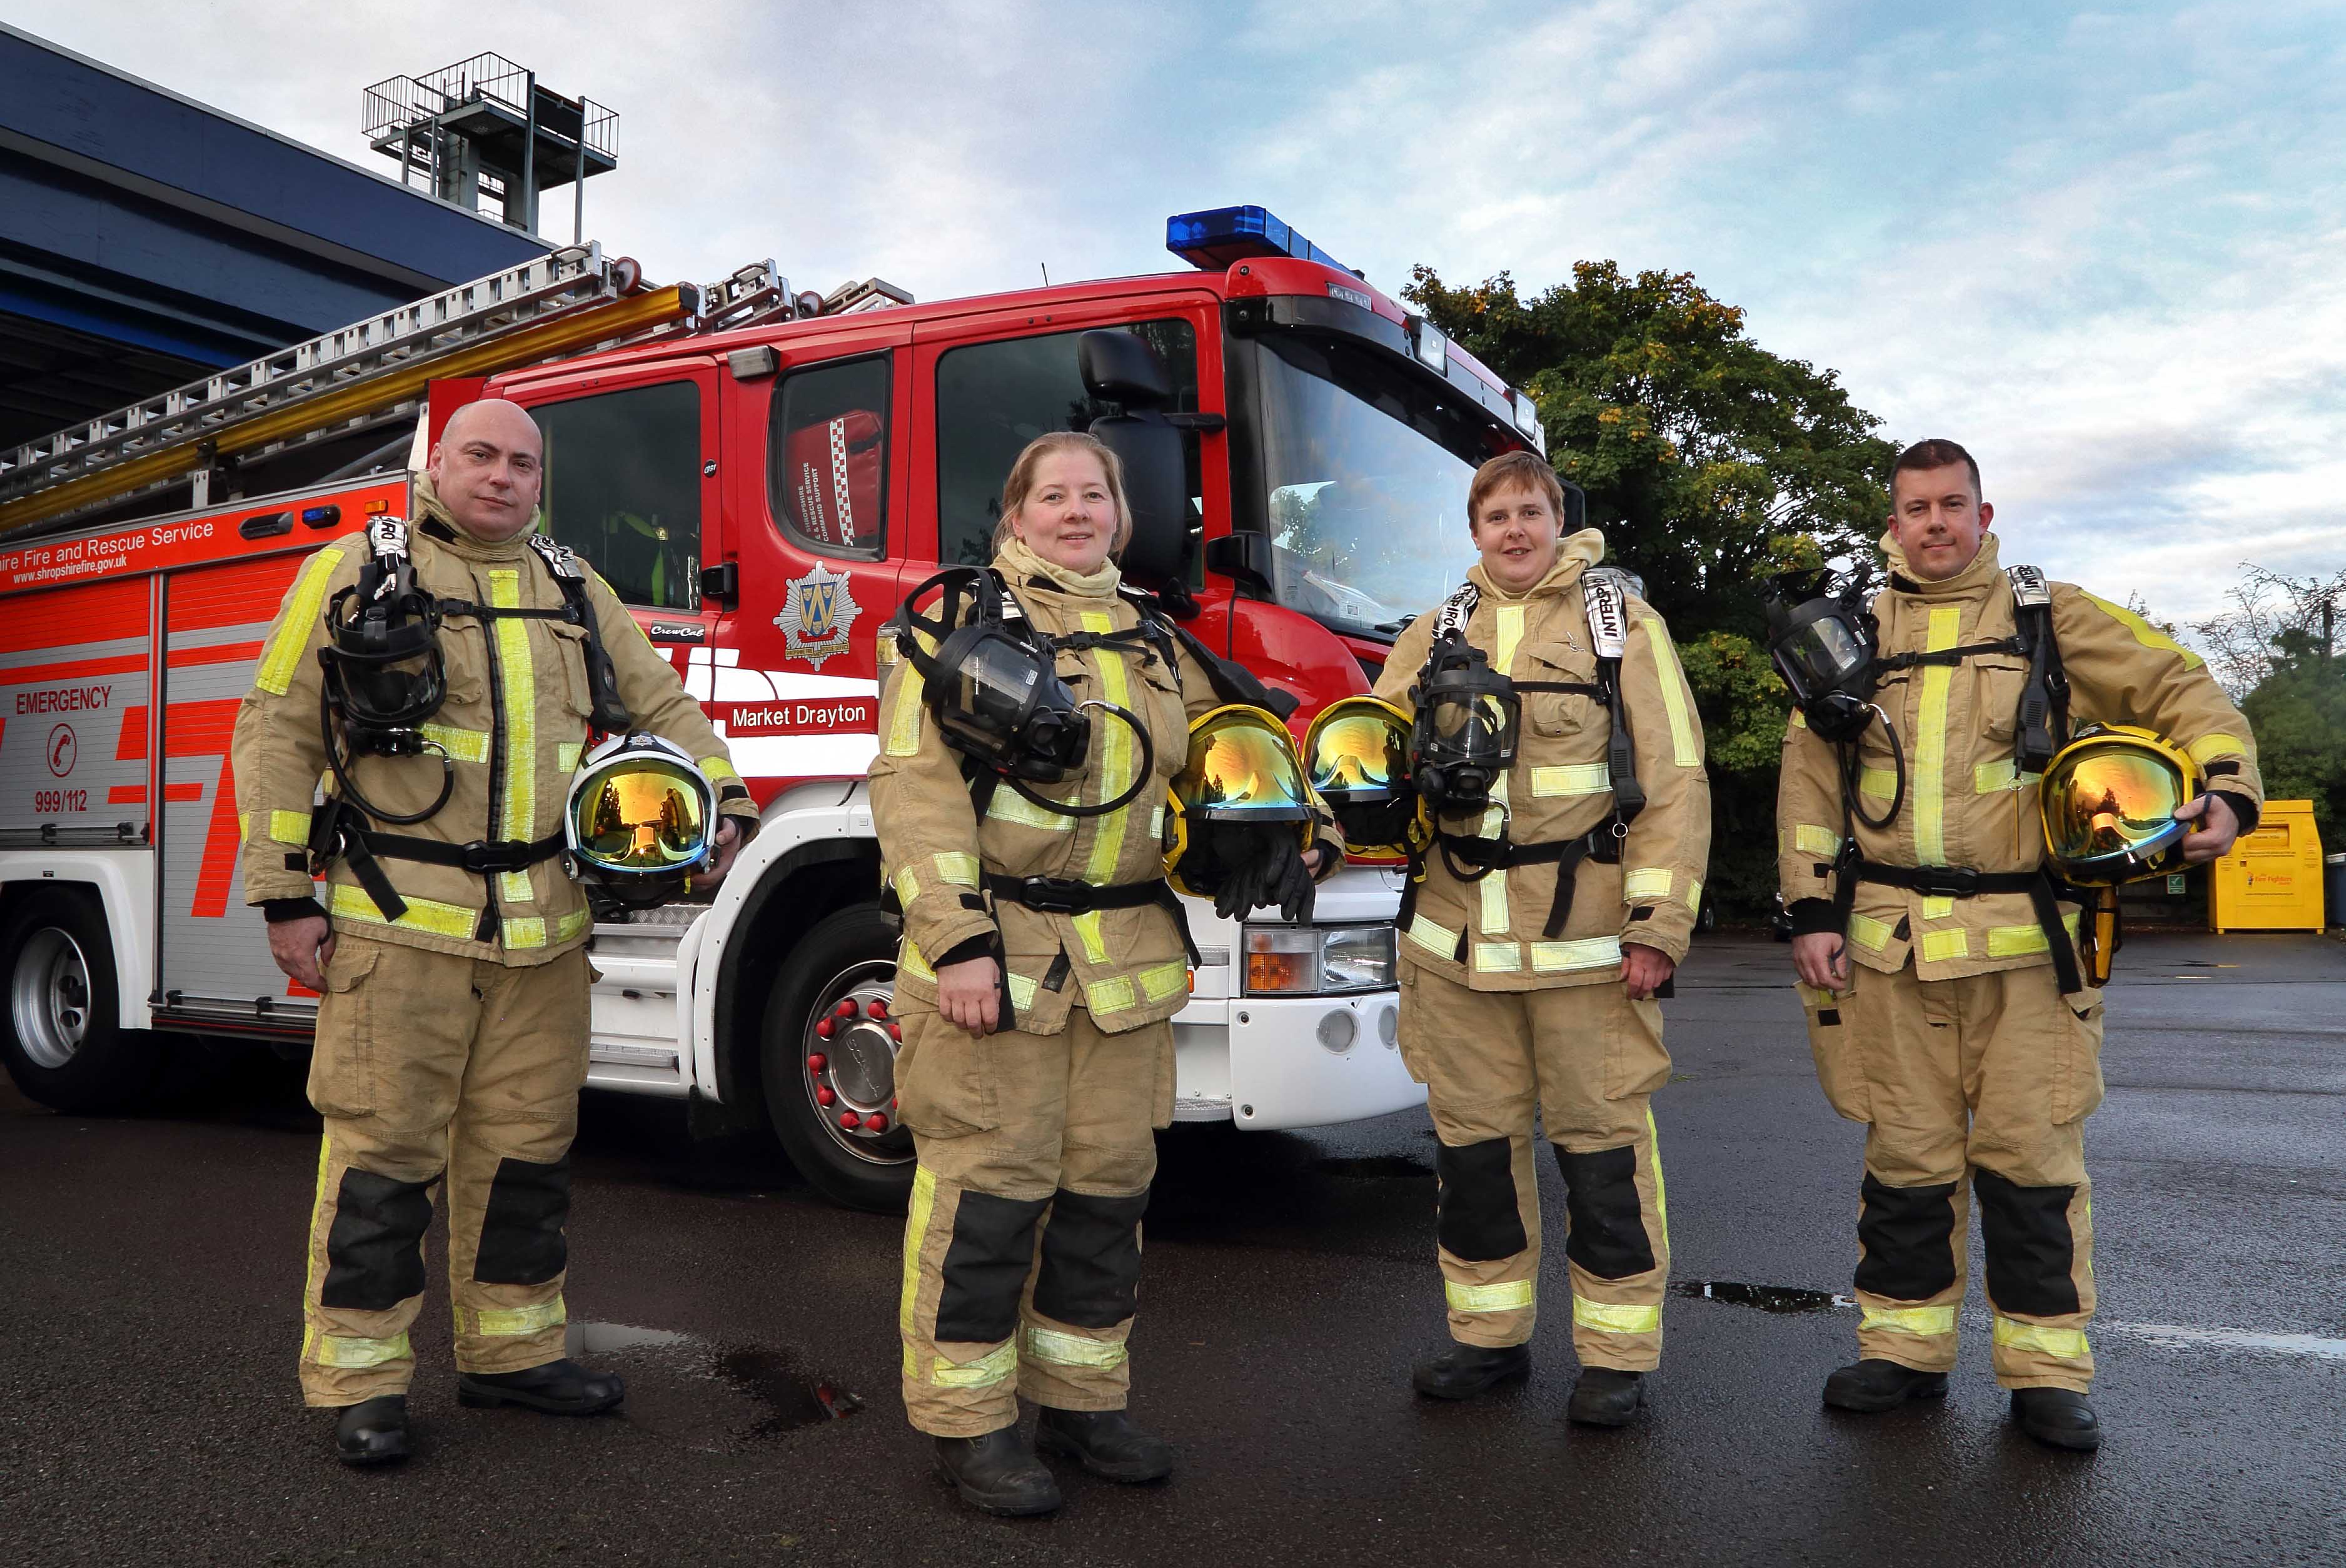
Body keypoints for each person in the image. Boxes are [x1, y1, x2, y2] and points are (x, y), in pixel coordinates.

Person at [229, 399, 760, 1466]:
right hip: (398, 930)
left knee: (526, 1157)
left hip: (545, 937)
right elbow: (278, 730)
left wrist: (727, 797)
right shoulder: (350, 574)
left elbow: (660, 701)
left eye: (525, 462)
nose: (504, 477)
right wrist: (287, 895)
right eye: (481, 454)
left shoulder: (573, 587)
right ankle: (361, 1382)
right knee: (383, 1162)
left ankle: (512, 1356)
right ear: (438, 462)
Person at [870, 431, 1330, 1516]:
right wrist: (959, 942)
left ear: (1121, 517)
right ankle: (967, 1426)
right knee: (987, 1203)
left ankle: (1082, 1405)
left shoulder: (1159, 643)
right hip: (1003, 964)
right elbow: (914, 793)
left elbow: (1221, 770)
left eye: (1097, 495)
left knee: (1104, 1201)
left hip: (1125, 974)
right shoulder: (953, 631)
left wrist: (1283, 834)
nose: (1077, 512)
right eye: (1054, 495)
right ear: (1016, 514)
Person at [1777, 438, 2262, 1450]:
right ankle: (1903, 1355)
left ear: (1985, 517)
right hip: (1890, 951)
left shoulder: (2053, 616)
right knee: (1904, 1161)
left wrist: (2225, 785)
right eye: (1916, 508)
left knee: (2031, 1162)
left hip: (2030, 948)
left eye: (1954, 505)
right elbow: (1812, 787)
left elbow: (2182, 688)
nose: (1936, 524)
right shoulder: (1847, 636)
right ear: (1893, 522)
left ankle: (2046, 1375)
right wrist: (1813, 912)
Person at [1372, 450, 1711, 1428]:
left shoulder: (1622, 628)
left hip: (1589, 954)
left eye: (1532, 512)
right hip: (1455, 952)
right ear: (1473, 530)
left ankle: (1615, 1358)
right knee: (1473, 1158)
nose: (1515, 531)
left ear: (1558, 520)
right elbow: (1366, 755)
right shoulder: (1434, 634)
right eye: (1496, 516)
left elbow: (1677, 784)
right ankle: (1487, 1341)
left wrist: (1660, 926)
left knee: (1602, 1160)